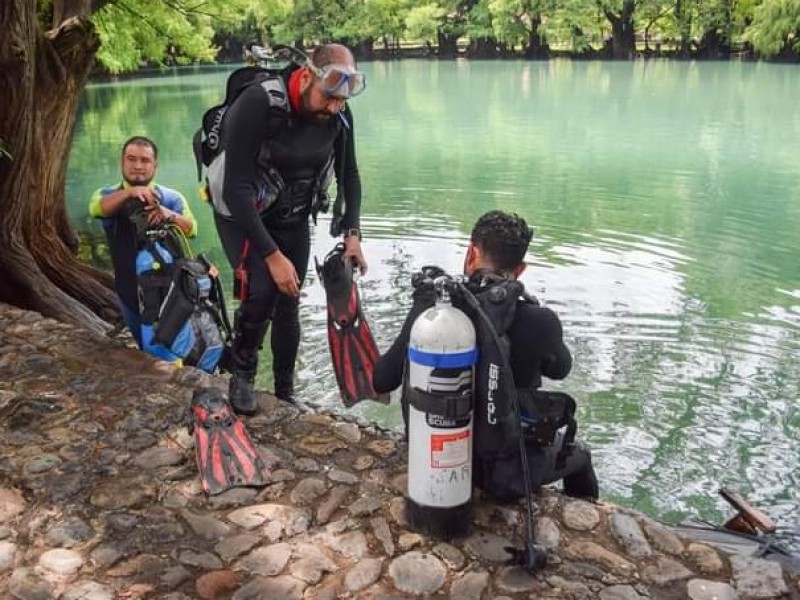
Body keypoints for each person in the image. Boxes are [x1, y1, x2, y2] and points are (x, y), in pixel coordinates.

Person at [373, 210, 599, 502]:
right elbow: (561, 369)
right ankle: (583, 515)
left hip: (436, 457)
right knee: (581, 456)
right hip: (506, 471)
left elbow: (382, 379)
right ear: (520, 270)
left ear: (472, 253)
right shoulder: (541, 321)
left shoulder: (433, 310)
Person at [211, 43, 367, 415]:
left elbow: (350, 173)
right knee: (262, 290)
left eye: (341, 101)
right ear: (306, 76)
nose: (333, 108)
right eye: (327, 98)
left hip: (293, 213)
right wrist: (271, 254)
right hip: (242, 213)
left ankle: (285, 390)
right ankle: (242, 374)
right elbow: (236, 188)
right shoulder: (258, 104)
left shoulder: (340, 113)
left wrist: (354, 234)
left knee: (289, 301)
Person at [89, 136, 197, 348]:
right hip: (127, 290)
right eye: (131, 159)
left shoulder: (171, 197)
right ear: (122, 162)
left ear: (155, 165)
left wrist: (168, 214)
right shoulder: (106, 194)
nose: (138, 166)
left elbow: (192, 229)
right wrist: (129, 192)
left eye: (145, 160)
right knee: (144, 348)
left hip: (169, 291)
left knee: (172, 350)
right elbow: (96, 209)